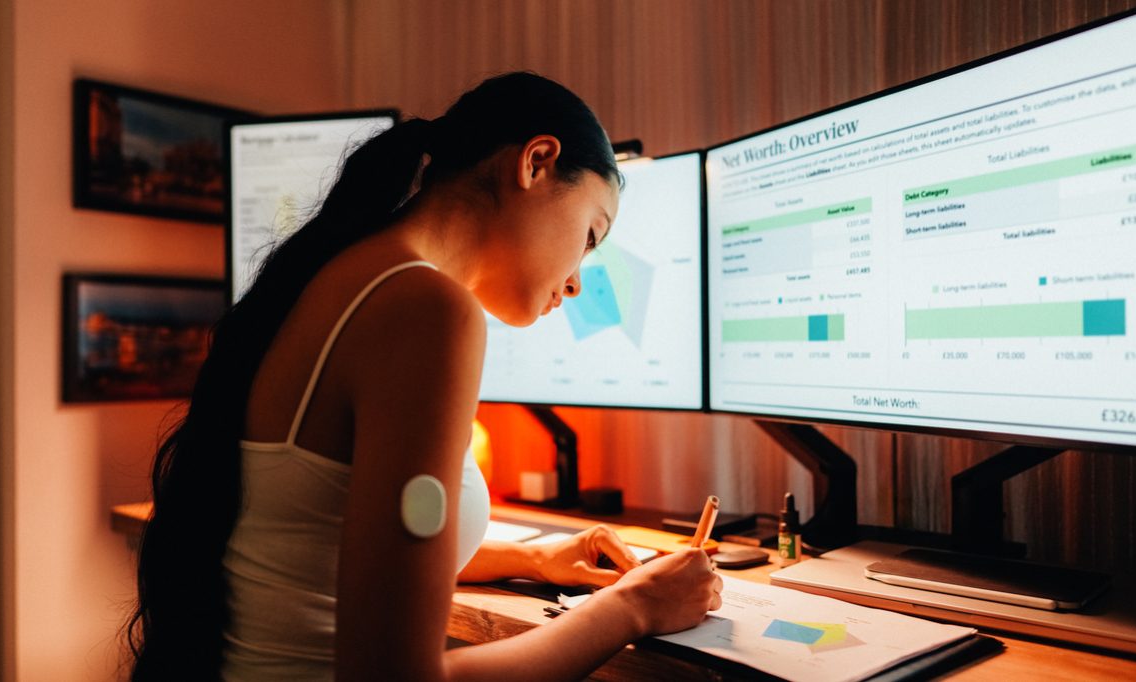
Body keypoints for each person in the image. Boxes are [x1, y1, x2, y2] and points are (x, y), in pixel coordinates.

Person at [126, 72, 722, 681]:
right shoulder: (427, 308)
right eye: (590, 235)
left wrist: (533, 557)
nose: (575, 280)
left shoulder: (344, 274)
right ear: (536, 162)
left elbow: (330, 544)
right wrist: (633, 607)